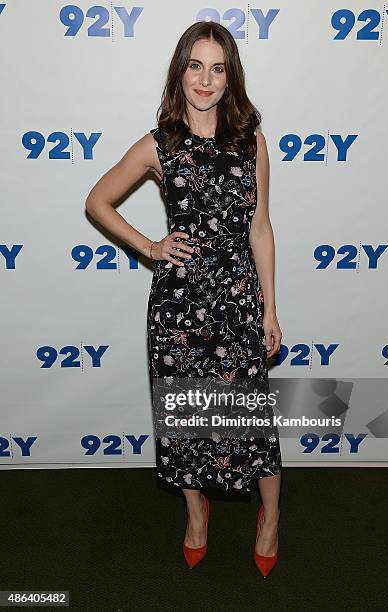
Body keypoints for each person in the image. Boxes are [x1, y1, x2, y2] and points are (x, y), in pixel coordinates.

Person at [85, 21, 282, 577]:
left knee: (251, 419)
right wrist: (150, 246)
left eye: (218, 68)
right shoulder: (159, 143)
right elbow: (98, 200)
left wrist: (269, 309)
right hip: (177, 307)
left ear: (230, 76)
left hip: (238, 302)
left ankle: (270, 518)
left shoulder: (251, 139)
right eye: (195, 65)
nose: (206, 79)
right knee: (184, 418)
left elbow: (261, 229)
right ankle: (197, 515)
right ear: (181, 71)